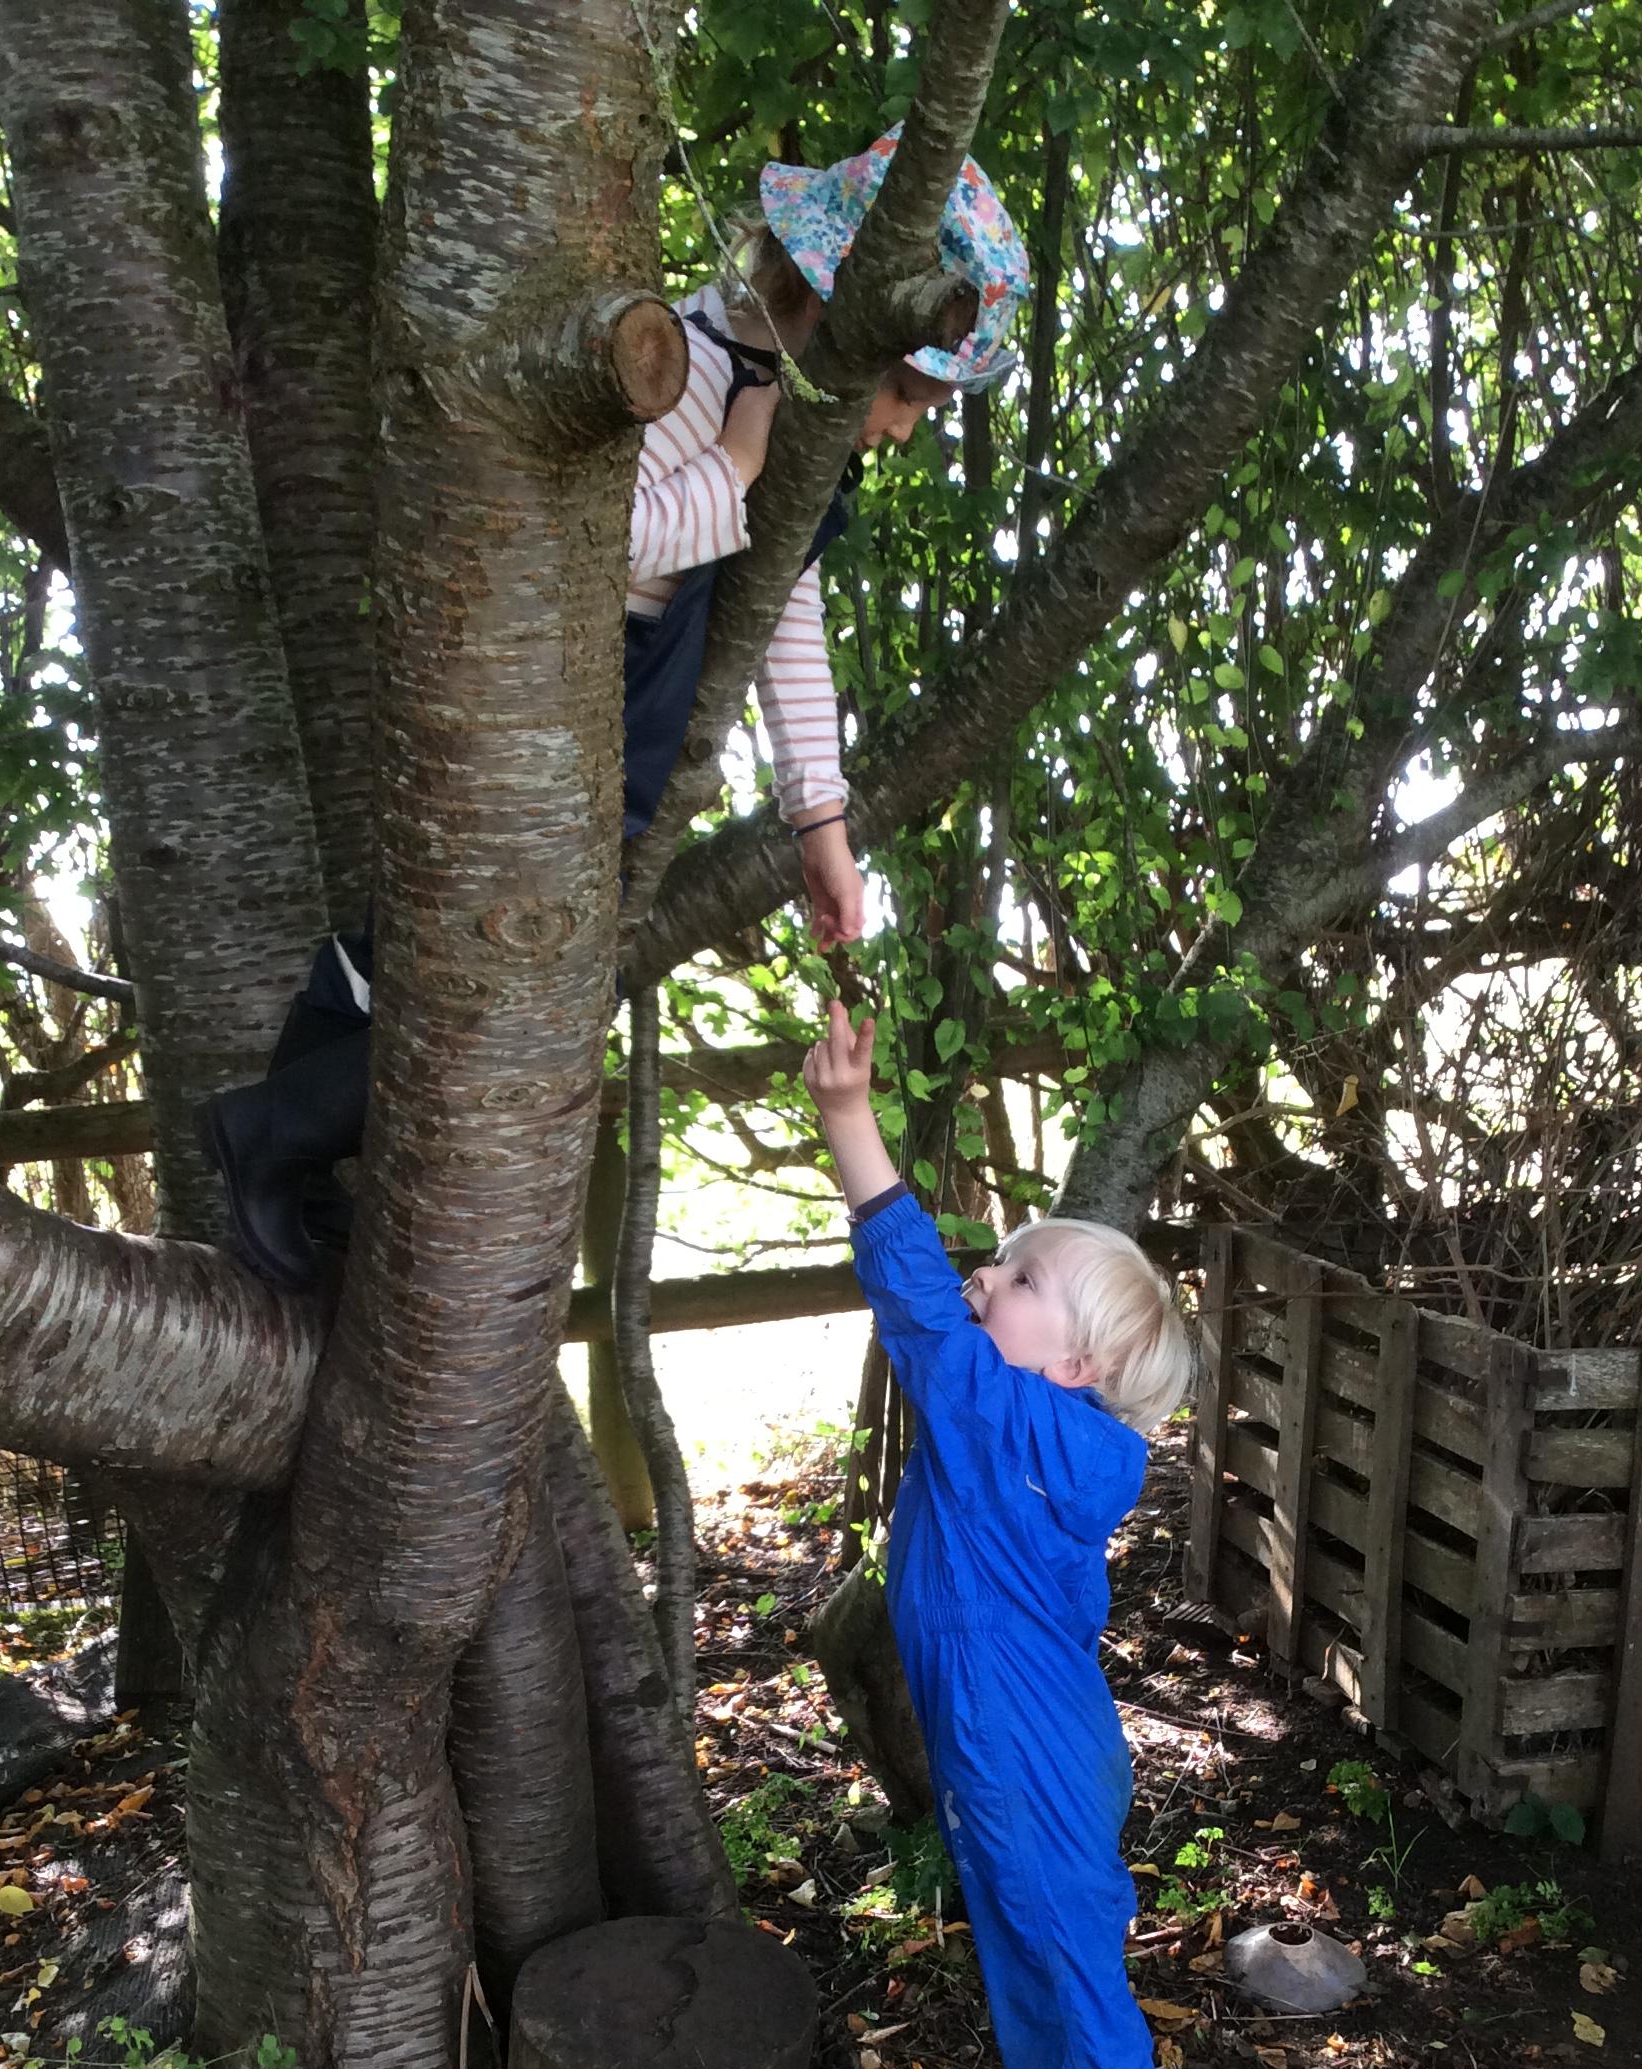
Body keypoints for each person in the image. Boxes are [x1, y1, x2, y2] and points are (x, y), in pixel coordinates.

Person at [205, 129, 1030, 1289]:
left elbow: (783, 607)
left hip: (598, 729)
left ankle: (296, 1165)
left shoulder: (784, 416)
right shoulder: (684, 372)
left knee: (417, 952)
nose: (898, 426)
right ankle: (269, 1137)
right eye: (904, 392)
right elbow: (590, 548)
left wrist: (822, 825)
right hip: (543, 716)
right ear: (814, 302)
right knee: (528, 988)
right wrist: (731, 471)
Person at [802, 1000, 1193, 2069]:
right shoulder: (1028, 1432)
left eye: (1021, 1276)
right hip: (1018, 1759)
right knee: (1038, 1989)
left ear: (1073, 1364)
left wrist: (853, 1125)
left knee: (1075, 2000)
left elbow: (918, 1303)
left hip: (1027, 1766)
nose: (990, 1274)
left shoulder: (1021, 1428)